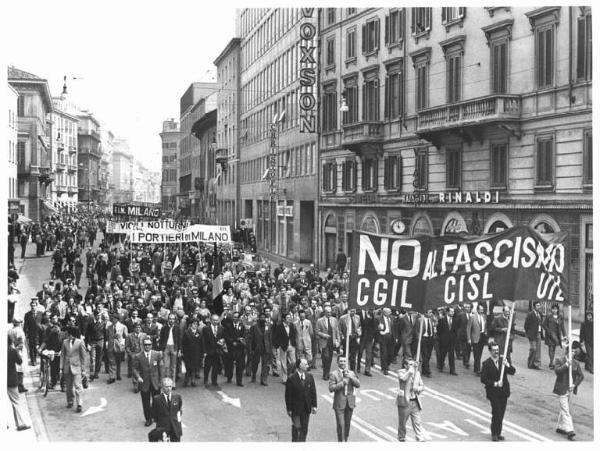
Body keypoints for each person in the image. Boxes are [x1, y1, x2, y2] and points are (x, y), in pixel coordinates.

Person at [480, 342, 516, 441]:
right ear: (490, 351)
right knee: (497, 412)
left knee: (502, 412)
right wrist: (495, 383)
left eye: (497, 350)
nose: (496, 352)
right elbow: (483, 379)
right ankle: (494, 433)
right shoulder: (486, 364)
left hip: (503, 391)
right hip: (493, 392)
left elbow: (512, 371)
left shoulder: (502, 361)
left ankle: (499, 432)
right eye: (494, 350)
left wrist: (508, 365)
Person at [553, 341, 584, 440]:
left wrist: (574, 385)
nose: (573, 353)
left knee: (564, 409)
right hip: (562, 389)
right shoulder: (559, 360)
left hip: (570, 390)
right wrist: (567, 364)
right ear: (567, 351)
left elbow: (581, 376)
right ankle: (570, 431)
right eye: (572, 351)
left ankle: (560, 427)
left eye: (575, 351)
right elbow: (557, 371)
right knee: (566, 410)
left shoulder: (576, 363)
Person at [285, 357, 317, 442]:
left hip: (306, 409)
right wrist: (289, 409)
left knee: (304, 429)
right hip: (295, 409)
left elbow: (313, 392)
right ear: (299, 365)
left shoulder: (310, 377)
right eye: (305, 364)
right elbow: (288, 396)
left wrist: (314, 406)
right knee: (297, 428)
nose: (307, 365)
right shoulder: (291, 379)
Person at [328, 355, 360, 442]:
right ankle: (341, 442)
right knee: (341, 425)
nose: (343, 363)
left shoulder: (351, 373)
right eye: (341, 361)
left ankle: (345, 440)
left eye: (344, 361)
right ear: (337, 362)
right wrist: (342, 383)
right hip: (339, 403)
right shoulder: (333, 374)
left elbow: (358, 384)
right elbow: (331, 388)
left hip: (350, 403)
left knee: (347, 425)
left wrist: (351, 377)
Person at [133, 338, 164, 427]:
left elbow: (161, 368)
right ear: (143, 345)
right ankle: (148, 419)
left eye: (149, 344)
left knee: (156, 401)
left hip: (155, 382)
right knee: (145, 402)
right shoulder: (138, 356)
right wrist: (138, 377)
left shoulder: (157, 354)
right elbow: (135, 368)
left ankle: (154, 415)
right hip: (144, 383)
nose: (147, 346)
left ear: (151, 345)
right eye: (145, 345)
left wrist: (161, 380)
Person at [396, 358, 425, 442]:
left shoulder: (417, 374)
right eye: (410, 364)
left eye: (413, 364)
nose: (413, 366)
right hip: (405, 401)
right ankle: (401, 438)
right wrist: (410, 372)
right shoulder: (401, 372)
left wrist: (418, 388)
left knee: (417, 421)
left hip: (415, 401)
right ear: (405, 365)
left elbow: (422, 386)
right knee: (402, 422)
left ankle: (419, 437)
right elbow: (403, 379)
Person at [60, 325, 87, 413]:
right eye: (68, 334)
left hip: (77, 367)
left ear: (74, 334)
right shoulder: (64, 342)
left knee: (77, 386)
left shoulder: (80, 342)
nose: (68, 336)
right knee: (68, 387)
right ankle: (70, 401)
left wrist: (83, 370)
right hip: (67, 367)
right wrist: (61, 368)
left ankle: (79, 404)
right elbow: (62, 355)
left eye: (70, 334)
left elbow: (83, 357)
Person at [7, 336, 31, 431]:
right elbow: (19, 361)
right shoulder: (12, 350)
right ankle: (20, 424)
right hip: (11, 379)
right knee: (16, 402)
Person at [152, 377, 182, 442]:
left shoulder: (177, 397)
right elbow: (154, 414)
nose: (169, 389)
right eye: (166, 387)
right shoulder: (157, 399)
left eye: (170, 386)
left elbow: (179, 410)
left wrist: (177, 421)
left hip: (175, 427)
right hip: (163, 427)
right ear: (162, 387)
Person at [249, 311, 273, 386]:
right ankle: (253, 374)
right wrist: (251, 349)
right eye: (261, 317)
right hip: (257, 347)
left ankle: (264, 379)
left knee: (265, 364)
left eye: (264, 317)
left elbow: (270, 338)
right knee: (255, 363)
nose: (263, 319)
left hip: (266, 347)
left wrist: (270, 349)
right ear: (258, 318)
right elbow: (251, 338)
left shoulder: (268, 326)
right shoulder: (254, 327)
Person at [201, 313, 225, 388]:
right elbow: (203, 341)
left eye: (216, 320)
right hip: (209, 351)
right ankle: (205, 379)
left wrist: (222, 343)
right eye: (214, 320)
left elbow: (223, 338)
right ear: (211, 320)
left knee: (215, 367)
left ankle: (214, 381)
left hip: (217, 351)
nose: (215, 322)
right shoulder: (206, 328)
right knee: (207, 367)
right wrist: (204, 351)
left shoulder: (221, 328)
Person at [316, 306, 340, 380]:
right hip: (324, 342)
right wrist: (324, 335)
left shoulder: (334, 320)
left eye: (330, 312)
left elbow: (337, 331)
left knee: (330, 358)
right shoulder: (320, 321)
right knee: (325, 357)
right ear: (325, 312)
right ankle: (325, 373)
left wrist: (338, 340)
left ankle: (328, 372)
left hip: (332, 342)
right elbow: (317, 331)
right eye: (328, 312)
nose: (329, 313)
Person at [158, 313, 181, 387]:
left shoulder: (177, 328)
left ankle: (173, 383)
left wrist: (179, 350)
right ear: (168, 319)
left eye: (173, 319)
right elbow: (161, 340)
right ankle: (166, 382)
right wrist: (161, 350)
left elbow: (180, 339)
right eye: (170, 319)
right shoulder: (164, 328)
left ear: (175, 320)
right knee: (166, 366)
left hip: (174, 347)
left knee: (173, 367)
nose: (171, 320)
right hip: (166, 347)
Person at [106, 313, 128, 383]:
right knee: (112, 362)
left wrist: (123, 345)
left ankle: (118, 374)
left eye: (113, 318)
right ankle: (112, 377)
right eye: (111, 318)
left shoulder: (123, 327)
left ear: (117, 319)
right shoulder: (109, 327)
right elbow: (107, 337)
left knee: (118, 361)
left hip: (119, 346)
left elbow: (126, 337)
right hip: (111, 346)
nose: (112, 320)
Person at [467, 303, 488, 375]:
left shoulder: (484, 316)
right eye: (480, 310)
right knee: (476, 354)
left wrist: (485, 332)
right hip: (475, 337)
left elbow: (485, 326)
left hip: (482, 336)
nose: (481, 311)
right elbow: (468, 328)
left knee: (480, 353)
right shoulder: (472, 317)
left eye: (482, 310)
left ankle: (476, 367)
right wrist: (469, 338)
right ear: (477, 310)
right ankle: (478, 370)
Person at [543, 303, 565, 369]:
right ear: (551, 310)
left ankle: (551, 361)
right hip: (550, 335)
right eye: (553, 309)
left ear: (558, 310)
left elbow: (562, 327)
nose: (554, 310)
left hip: (556, 335)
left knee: (554, 349)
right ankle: (551, 362)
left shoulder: (560, 317)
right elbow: (544, 324)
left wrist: (565, 336)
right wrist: (548, 331)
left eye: (555, 309)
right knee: (551, 348)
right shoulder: (548, 316)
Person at [181, 320, 203, 387]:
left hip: (196, 352)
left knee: (194, 367)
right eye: (194, 324)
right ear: (191, 325)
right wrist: (182, 351)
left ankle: (193, 380)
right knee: (188, 367)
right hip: (188, 352)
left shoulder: (199, 332)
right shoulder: (186, 332)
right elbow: (183, 343)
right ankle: (186, 380)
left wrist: (202, 352)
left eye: (197, 324)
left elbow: (201, 342)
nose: (195, 325)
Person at [524, 301, 544, 369]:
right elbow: (526, 325)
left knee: (538, 349)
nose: (539, 307)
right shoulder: (530, 314)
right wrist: (528, 333)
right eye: (537, 306)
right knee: (533, 349)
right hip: (532, 334)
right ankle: (530, 363)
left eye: (539, 305)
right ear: (534, 307)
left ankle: (536, 364)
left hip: (538, 333)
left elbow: (541, 323)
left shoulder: (540, 314)